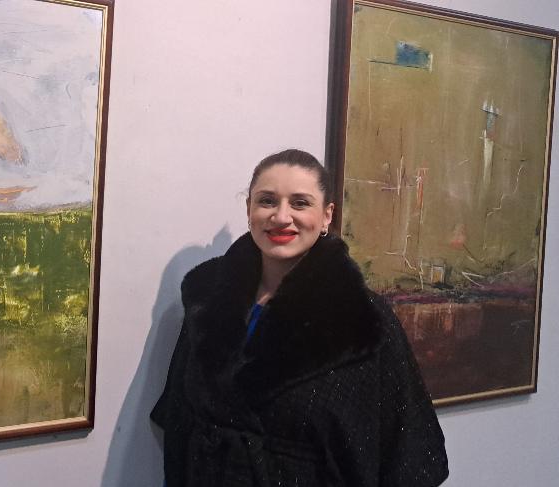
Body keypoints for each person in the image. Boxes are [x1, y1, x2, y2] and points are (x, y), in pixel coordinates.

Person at [151, 149, 448, 486]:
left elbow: (407, 455)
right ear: (249, 209)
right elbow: (179, 416)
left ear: (326, 215)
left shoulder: (362, 320)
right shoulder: (208, 299)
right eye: (267, 201)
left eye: (300, 203)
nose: (281, 217)